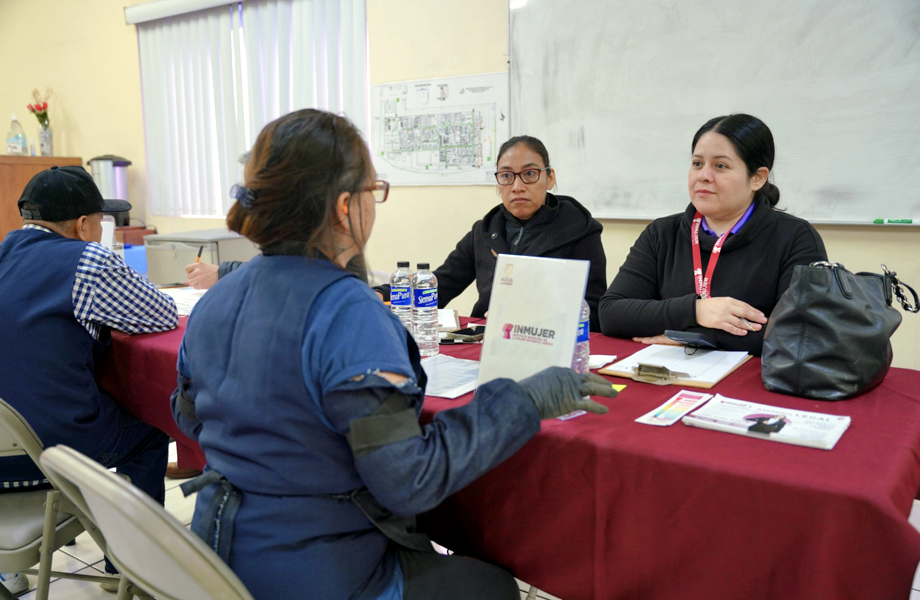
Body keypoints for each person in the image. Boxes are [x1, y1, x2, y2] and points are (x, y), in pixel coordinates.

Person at [170, 109, 616, 600]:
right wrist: (524, 401)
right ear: (346, 206)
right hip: (317, 572)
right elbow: (409, 482)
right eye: (374, 190)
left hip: (216, 557)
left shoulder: (216, 299)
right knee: (492, 587)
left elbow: (188, 416)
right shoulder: (348, 314)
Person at [0, 166, 179, 593]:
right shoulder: (87, 260)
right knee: (151, 432)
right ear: (82, 224)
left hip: (5, 449)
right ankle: (128, 567)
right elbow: (161, 313)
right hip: (48, 453)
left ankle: (8, 571)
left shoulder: (4, 251)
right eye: (101, 221)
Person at [598, 114, 828, 355]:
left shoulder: (795, 238)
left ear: (757, 178)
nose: (703, 176)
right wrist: (696, 311)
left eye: (720, 166)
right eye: (697, 163)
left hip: (752, 375)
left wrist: (696, 337)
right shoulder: (662, 233)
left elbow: (801, 335)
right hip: (670, 370)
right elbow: (612, 314)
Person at [429, 135, 607, 331]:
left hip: (544, 340)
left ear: (550, 178)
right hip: (483, 339)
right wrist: (400, 294)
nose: (517, 187)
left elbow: (595, 315)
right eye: (506, 176)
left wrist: (533, 316)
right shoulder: (485, 231)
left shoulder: (579, 230)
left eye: (529, 174)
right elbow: (439, 287)